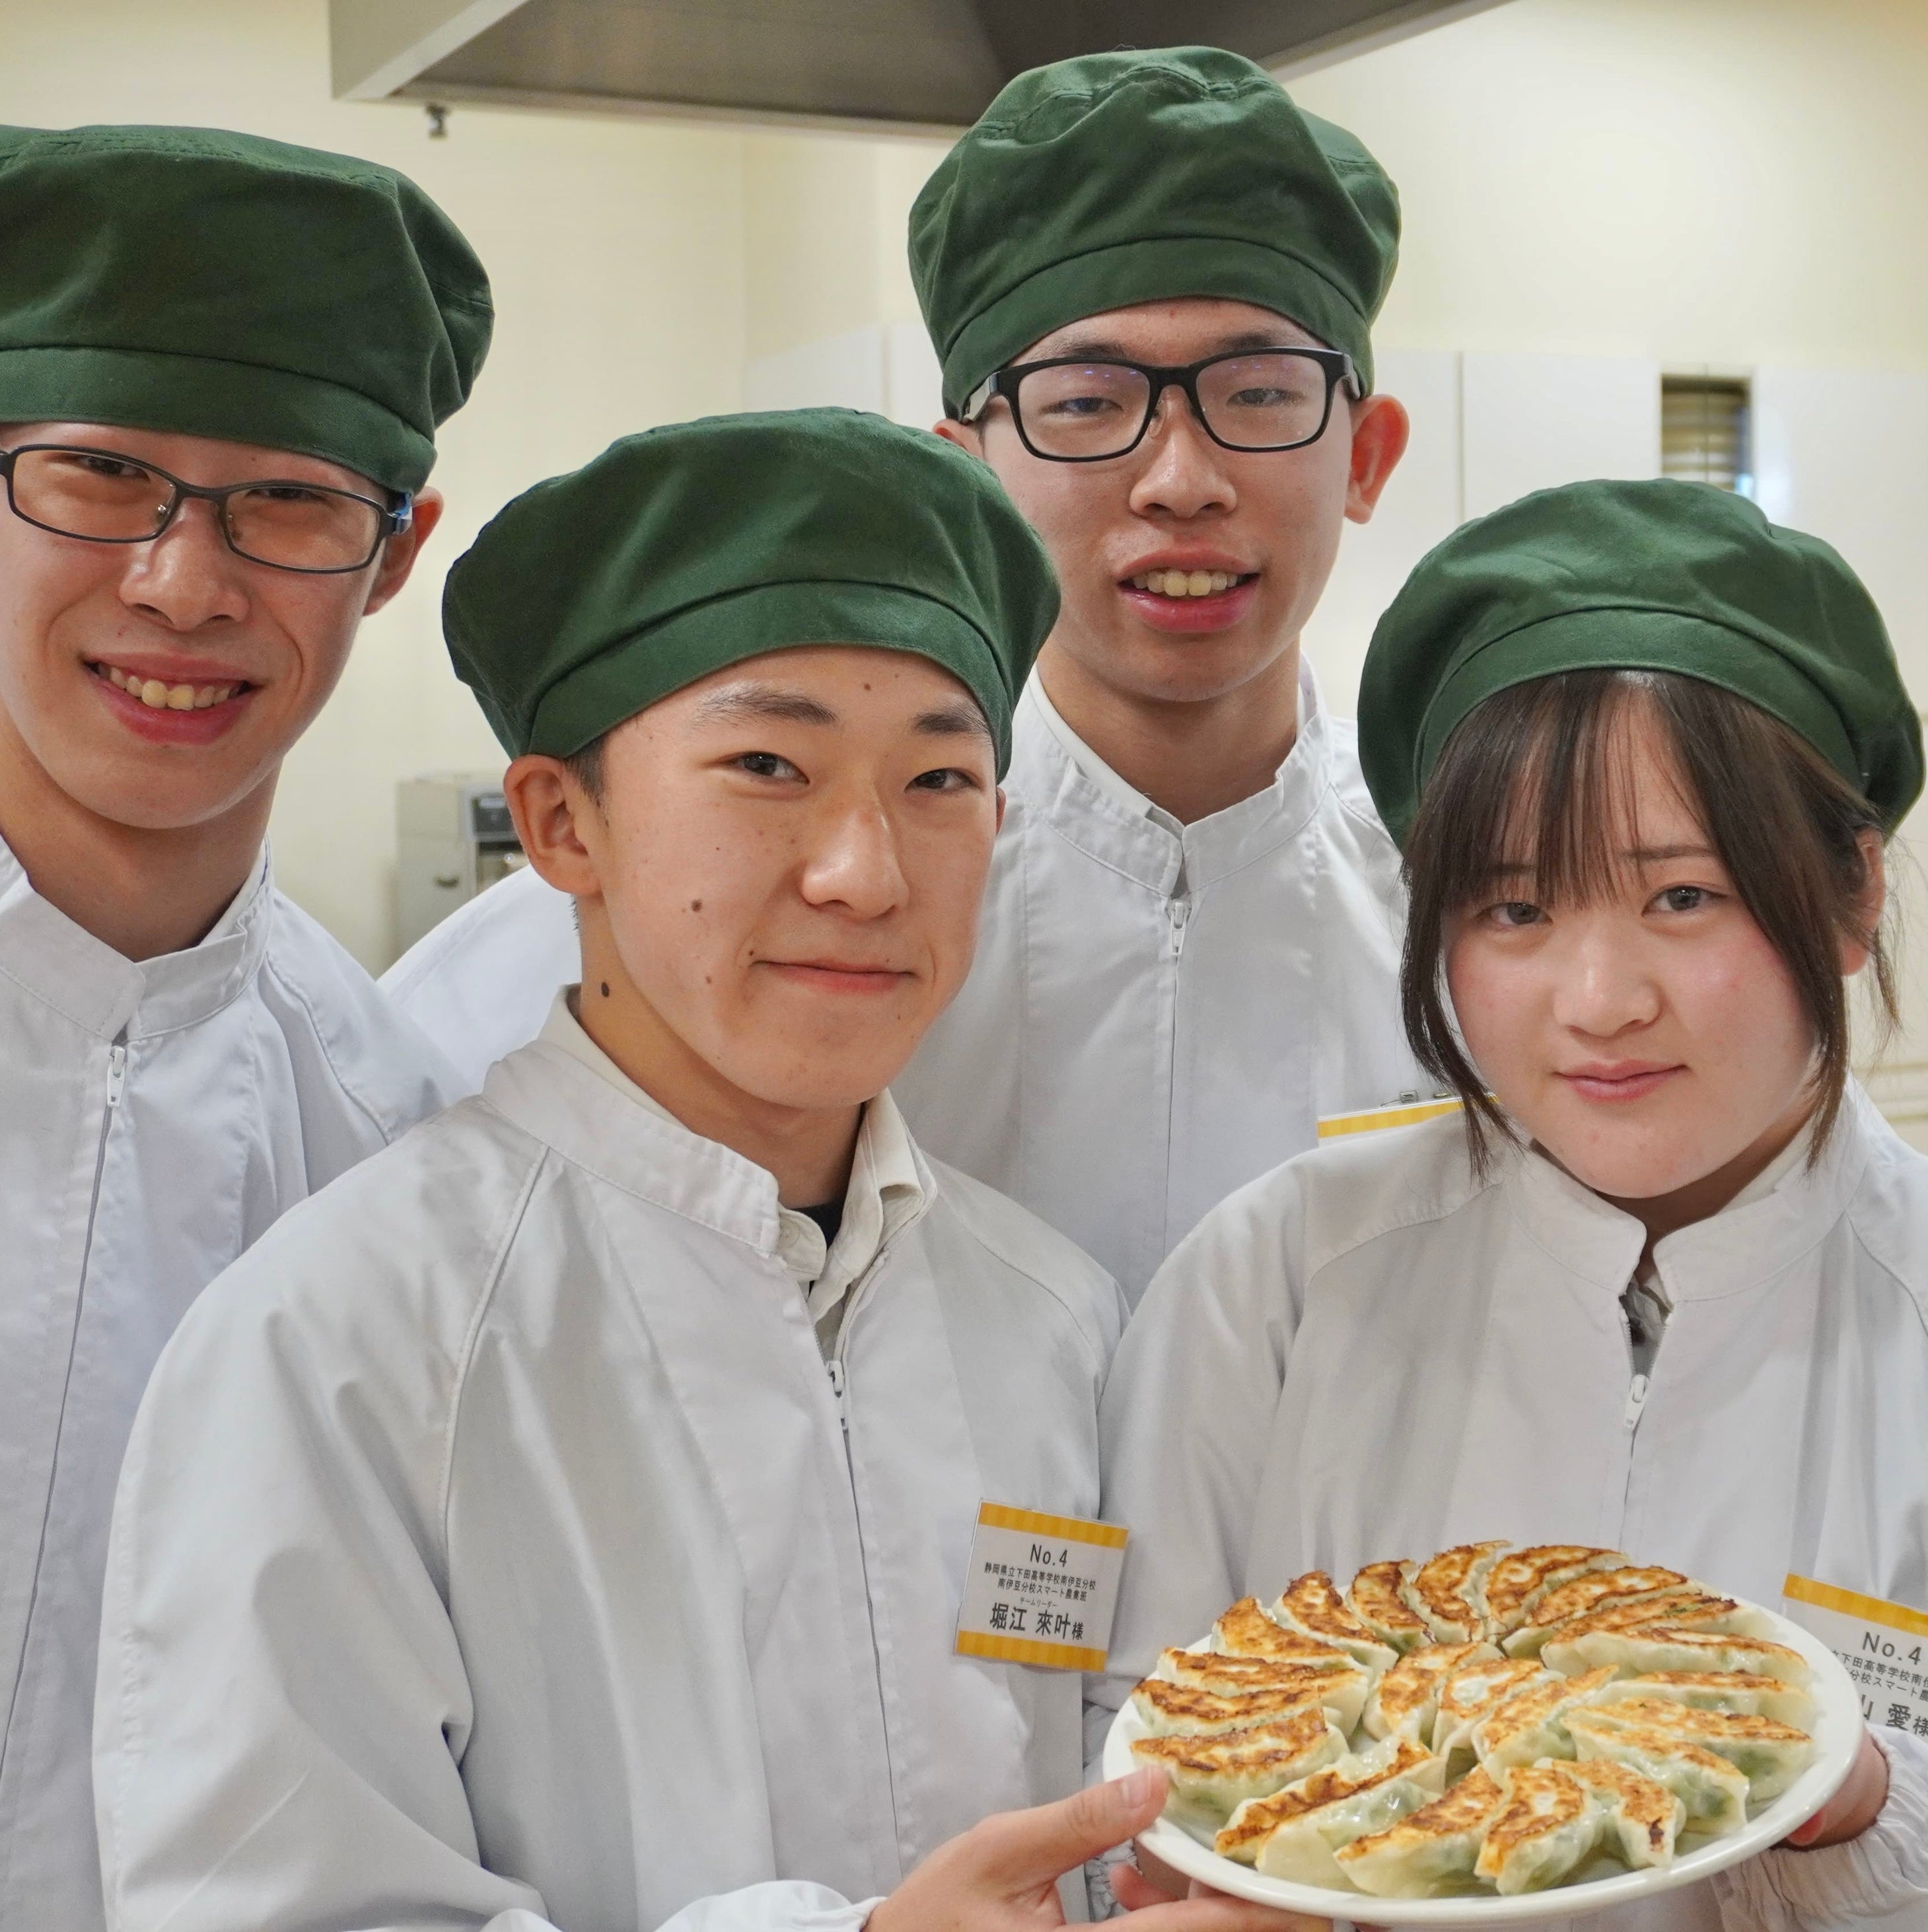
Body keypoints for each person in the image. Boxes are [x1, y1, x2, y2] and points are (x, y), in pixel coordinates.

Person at [94, 411, 1315, 1932]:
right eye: (766, 764)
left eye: (940, 781)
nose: (864, 871)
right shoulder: (347, 1342)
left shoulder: (1050, 1317)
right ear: (561, 823)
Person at [1096, 478, 1928, 1931]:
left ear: (1851, 895)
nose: (1600, 1001)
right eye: (1516, 909)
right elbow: (1131, 1768)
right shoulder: (1275, 1285)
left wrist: (1869, 1807)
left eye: (1684, 896)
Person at [381, 47, 1423, 1304]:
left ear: (1366, 456)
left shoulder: (1472, 913)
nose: (1180, 480)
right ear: (969, 470)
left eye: (1259, 393)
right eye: (1085, 403)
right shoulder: (670, 931)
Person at [0, 124, 486, 1929]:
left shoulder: (404, 1148)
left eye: (286, 500)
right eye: (99, 472)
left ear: (395, 552)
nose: (182, 584)